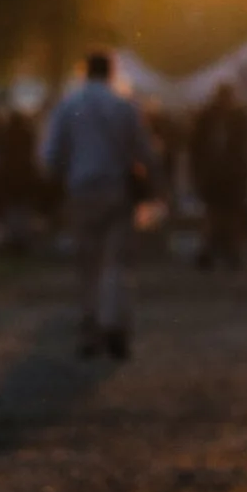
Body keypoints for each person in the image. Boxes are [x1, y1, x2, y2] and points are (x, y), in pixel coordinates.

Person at [39, 52, 156, 359]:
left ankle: (90, 326)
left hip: (81, 192)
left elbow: (50, 156)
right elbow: (144, 151)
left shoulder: (68, 106)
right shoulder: (124, 105)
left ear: (84, 71)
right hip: (117, 191)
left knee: (87, 265)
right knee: (116, 263)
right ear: (111, 72)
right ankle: (114, 324)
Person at [188, 81, 247, 269]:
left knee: (221, 214)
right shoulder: (226, 119)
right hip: (220, 175)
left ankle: (220, 251)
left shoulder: (227, 119)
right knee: (220, 214)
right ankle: (219, 251)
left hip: (224, 174)